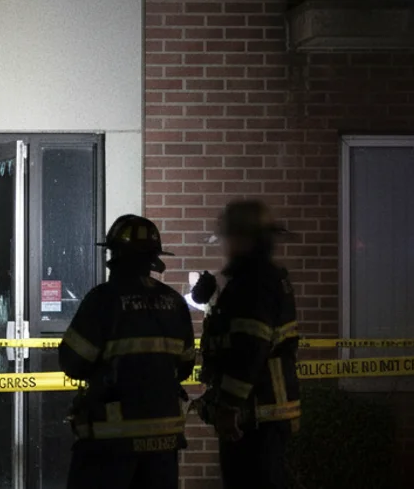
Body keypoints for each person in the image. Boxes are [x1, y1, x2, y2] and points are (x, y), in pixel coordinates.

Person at [59, 215, 195, 489]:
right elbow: (186, 366)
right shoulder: (175, 303)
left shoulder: (103, 299)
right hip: (164, 439)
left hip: (112, 441)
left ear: (115, 256)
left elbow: (73, 361)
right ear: (153, 259)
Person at [192, 200, 300, 489]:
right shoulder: (264, 278)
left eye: (227, 239)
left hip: (256, 412)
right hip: (264, 410)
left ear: (243, 239)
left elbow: (249, 349)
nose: (224, 247)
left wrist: (228, 406)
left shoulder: (252, 284)